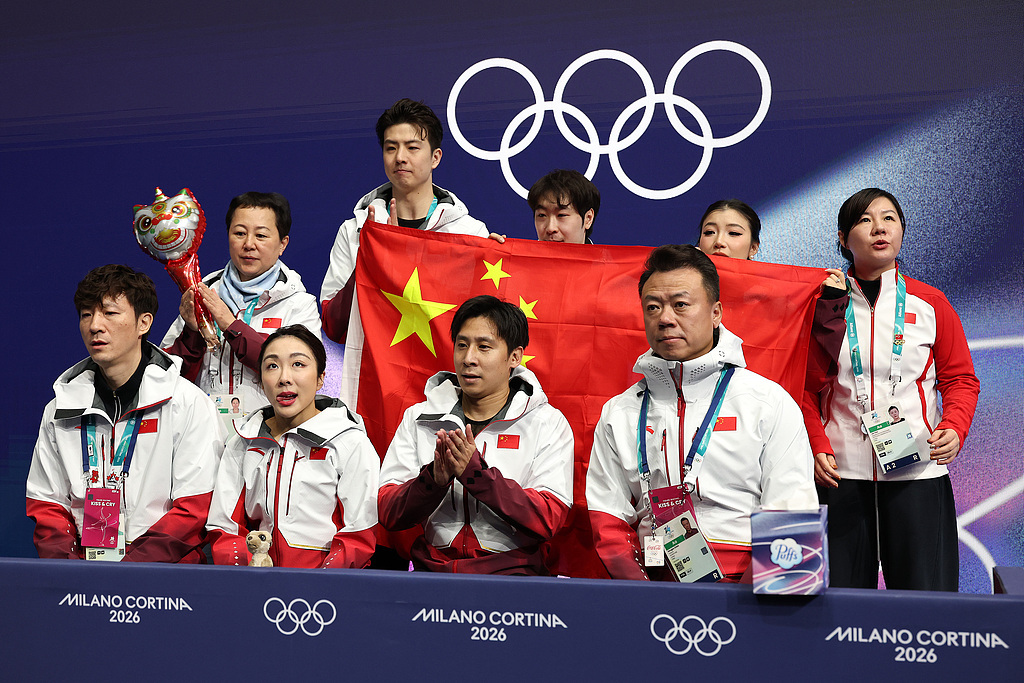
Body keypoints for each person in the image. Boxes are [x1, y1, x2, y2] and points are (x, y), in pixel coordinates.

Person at [586, 245, 817, 581]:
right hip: (652, 586)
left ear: (716, 313)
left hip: (748, 588)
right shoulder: (619, 412)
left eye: (680, 304)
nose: (665, 319)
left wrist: (745, 600)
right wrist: (641, 594)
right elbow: (608, 518)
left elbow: (792, 512)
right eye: (653, 307)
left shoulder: (768, 402)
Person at [813, 188, 979, 591]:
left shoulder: (930, 302)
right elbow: (803, 386)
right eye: (865, 220)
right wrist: (817, 443)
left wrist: (954, 427)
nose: (879, 228)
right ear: (842, 238)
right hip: (840, 475)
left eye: (889, 218)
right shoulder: (823, 304)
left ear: (902, 230)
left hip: (917, 470)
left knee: (927, 599)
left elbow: (960, 379)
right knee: (839, 605)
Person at [27, 265, 223, 562]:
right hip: (82, 575)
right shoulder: (60, 409)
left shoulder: (187, 403)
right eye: (86, 314)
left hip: (164, 577)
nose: (95, 325)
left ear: (144, 323)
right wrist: (70, 571)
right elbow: (47, 503)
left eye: (109, 313)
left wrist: (128, 572)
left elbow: (193, 508)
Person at [377, 295, 574, 574]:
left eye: (484, 347)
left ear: (514, 356)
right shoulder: (419, 418)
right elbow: (387, 510)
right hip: (431, 575)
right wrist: (432, 480)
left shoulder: (546, 422)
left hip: (513, 578)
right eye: (462, 345)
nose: (469, 359)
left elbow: (548, 517)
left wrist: (477, 476)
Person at [696, 198, 849, 476]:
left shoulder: (780, 305)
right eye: (709, 232)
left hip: (757, 440)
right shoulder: (673, 300)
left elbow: (810, 378)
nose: (719, 242)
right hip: (689, 434)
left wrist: (831, 305)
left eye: (733, 233)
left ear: (754, 247)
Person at [206, 326, 379, 568]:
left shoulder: (350, 442)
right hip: (254, 582)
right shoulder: (242, 442)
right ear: (261, 380)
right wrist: (246, 577)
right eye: (272, 366)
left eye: (298, 364)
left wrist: (320, 582)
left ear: (320, 378)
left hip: (326, 586)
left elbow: (358, 534)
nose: (284, 378)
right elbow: (225, 527)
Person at [320, 99, 490, 344]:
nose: (400, 157)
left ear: (435, 158)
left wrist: (496, 256)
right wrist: (368, 261)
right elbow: (334, 327)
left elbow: (488, 324)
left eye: (412, 148)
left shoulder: (469, 232)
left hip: (443, 365)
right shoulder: (355, 230)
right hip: (376, 364)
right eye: (391, 148)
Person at [162, 191, 321, 417]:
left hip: (270, 429)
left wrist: (232, 326)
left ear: (282, 244)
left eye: (261, 235)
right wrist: (192, 333)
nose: (248, 244)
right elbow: (167, 377)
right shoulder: (203, 294)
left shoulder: (298, 303)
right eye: (239, 233)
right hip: (205, 429)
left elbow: (299, 375)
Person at [528, 169, 600, 244]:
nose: (551, 228)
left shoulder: (605, 252)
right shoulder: (522, 251)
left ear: (588, 218)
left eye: (561, 215)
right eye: (542, 215)